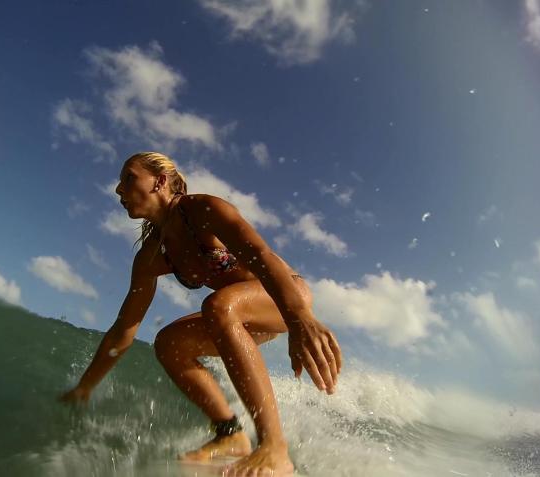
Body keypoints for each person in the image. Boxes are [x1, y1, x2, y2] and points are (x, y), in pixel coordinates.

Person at [60, 152, 342, 476]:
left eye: (129, 178)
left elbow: (261, 255)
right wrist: (85, 387)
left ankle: (275, 448)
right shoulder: (151, 255)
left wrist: (299, 317)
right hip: (235, 315)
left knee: (218, 305)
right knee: (168, 344)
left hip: (285, 295)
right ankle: (229, 433)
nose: (118, 189)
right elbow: (125, 328)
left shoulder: (202, 210)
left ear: (159, 181)